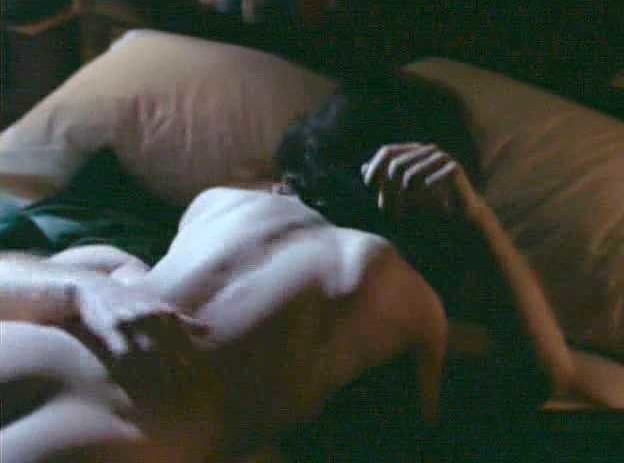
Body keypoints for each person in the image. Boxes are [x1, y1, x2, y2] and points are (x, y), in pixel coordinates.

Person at [0, 73, 604, 463]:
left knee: (104, 260)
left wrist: (88, 286)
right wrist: (476, 217)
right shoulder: (398, 294)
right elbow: (548, 375)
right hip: (125, 429)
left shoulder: (221, 202)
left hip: (43, 344)